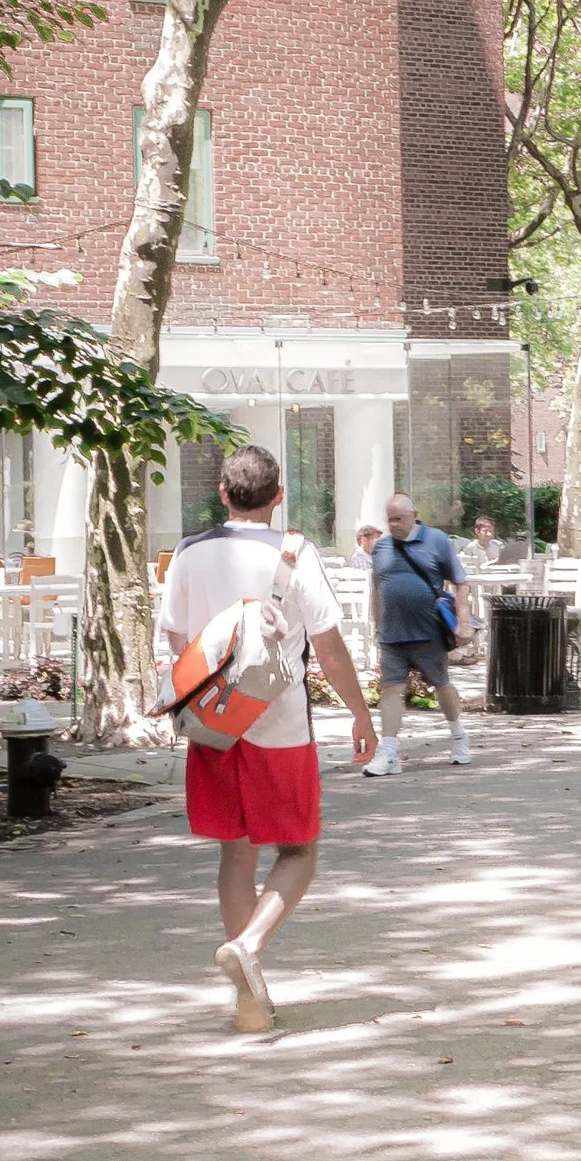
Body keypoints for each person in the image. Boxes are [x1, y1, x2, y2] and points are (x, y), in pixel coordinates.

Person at [153, 443, 372, 1036]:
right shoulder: (295, 552)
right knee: (299, 850)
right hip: (282, 725)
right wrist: (361, 713)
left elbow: (177, 639)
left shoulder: (189, 553)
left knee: (235, 852)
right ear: (278, 497)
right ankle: (248, 946)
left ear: (222, 495)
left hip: (214, 725)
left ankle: (248, 1000)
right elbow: (327, 645)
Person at [365, 492, 472, 777]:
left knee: (442, 685)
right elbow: (377, 587)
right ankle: (389, 753)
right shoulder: (382, 547)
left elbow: (460, 583)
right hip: (392, 634)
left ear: (413, 514)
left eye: (399, 518)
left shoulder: (437, 541)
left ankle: (458, 735)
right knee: (390, 689)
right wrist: (377, 625)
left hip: (427, 631)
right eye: (389, 520)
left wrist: (463, 622)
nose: (393, 524)